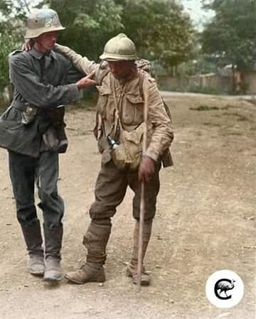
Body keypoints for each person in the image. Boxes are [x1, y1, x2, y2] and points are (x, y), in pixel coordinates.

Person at [55, 34, 174, 286]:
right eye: (109, 62)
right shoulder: (105, 74)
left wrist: (151, 157)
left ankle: (137, 266)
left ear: (131, 62)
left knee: (143, 212)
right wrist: (52, 43)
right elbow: (79, 60)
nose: (113, 68)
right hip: (113, 157)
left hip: (143, 160)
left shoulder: (146, 85)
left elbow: (164, 126)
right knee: (100, 209)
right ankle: (94, 265)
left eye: (118, 63)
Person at [0, 8, 96, 282]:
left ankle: (53, 257)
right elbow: (40, 95)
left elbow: (88, 69)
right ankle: (35, 252)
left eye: (55, 34)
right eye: (48, 34)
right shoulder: (19, 62)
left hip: (49, 135)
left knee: (49, 194)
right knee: (23, 199)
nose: (53, 38)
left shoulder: (58, 61)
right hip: (20, 137)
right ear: (35, 36)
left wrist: (124, 64)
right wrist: (77, 89)